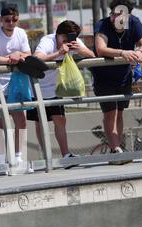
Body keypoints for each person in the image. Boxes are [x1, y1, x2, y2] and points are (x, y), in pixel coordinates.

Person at [91, 0, 142, 164]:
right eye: (112, 13)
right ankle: (115, 150)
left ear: (128, 15)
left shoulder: (135, 23)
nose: (114, 17)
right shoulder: (102, 25)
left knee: (119, 112)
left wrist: (139, 52)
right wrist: (122, 52)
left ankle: (117, 147)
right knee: (110, 113)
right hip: (103, 77)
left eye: (118, 14)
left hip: (124, 77)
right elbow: (101, 48)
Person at [30, 20, 95, 165]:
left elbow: (92, 55)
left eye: (70, 39)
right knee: (40, 122)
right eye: (64, 39)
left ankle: (66, 155)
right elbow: (37, 58)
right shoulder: (47, 41)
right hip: (38, 87)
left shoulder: (75, 41)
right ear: (58, 35)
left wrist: (81, 50)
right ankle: (46, 156)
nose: (67, 42)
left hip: (57, 87)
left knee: (60, 120)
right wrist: (58, 53)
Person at [0, 4, 31, 166]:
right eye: (7, 20)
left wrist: (18, 55)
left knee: (21, 120)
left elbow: (28, 54)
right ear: (1, 20)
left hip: (17, 83)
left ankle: (18, 157)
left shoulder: (21, 33)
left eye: (14, 19)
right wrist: (11, 59)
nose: (11, 22)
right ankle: (3, 160)